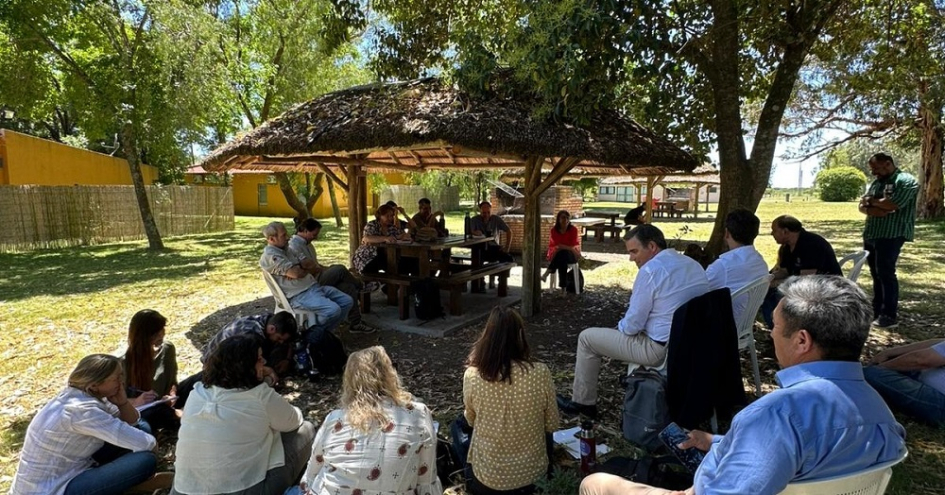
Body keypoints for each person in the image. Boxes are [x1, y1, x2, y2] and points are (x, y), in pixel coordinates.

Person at [579, 276, 907, 495]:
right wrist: (718, 442)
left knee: (596, 482)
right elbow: (795, 450)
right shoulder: (880, 412)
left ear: (802, 340)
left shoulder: (776, 414)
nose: (772, 334)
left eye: (775, 327)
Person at [557, 225, 708, 418]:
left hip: (659, 350)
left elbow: (631, 326)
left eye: (634, 251)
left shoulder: (650, 271)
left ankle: (583, 404)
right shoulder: (691, 264)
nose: (631, 258)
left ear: (652, 246)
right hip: (692, 344)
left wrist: (617, 329)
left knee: (587, 338)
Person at [172, 335, 316, 495]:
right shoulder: (260, 396)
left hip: (184, 488)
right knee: (307, 429)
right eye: (260, 359)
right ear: (246, 366)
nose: (265, 362)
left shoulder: (196, 392)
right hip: (243, 489)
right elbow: (294, 421)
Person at [11, 354, 163, 495]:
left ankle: (121, 482)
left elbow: (134, 422)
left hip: (74, 466)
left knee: (141, 427)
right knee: (145, 460)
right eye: (116, 378)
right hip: (52, 488)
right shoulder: (82, 411)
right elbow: (145, 443)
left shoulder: (84, 395)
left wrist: (123, 403)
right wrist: (155, 456)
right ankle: (128, 484)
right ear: (95, 385)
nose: (122, 382)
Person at [299, 346, 442, 495]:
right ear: (390, 374)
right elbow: (426, 481)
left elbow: (310, 476)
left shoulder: (334, 419)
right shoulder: (418, 414)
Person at [451, 306, 558, 495]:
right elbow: (551, 424)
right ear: (520, 335)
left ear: (487, 336)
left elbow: (471, 420)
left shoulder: (472, 375)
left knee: (457, 426)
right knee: (544, 432)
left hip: (487, 482)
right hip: (534, 479)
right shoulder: (540, 372)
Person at [175, 312, 299, 409]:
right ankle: (176, 398)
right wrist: (268, 370)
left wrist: (287, 359)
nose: (280, 342)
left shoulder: (270, 321)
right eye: (278, 338)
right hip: (219, 363)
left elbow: (288, 343)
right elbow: (246, 363)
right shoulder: (251, 336)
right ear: (272, 329)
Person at [259, 221, 353, 337]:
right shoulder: (270, 256)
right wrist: (299, 268)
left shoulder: (288, 249)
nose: (288, 237)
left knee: (347, 301)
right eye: (283, 235)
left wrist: (300, 268)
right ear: (272, 239)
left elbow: (310, 264)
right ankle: (312, 335)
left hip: (312, 287)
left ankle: (323, 332)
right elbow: (296, 273)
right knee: (333, 310)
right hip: (299, 295)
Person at [859, 152, 919, 330]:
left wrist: (873, 202)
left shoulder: (905, 180)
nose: (874, 173)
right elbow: (862, 205)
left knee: (886, 273)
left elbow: (893, 205)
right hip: (872, 233)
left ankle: (889, 315)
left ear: (887, 164)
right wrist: (872, 207)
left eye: (876, 168)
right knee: (875, 274)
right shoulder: (877, 183)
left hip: (892, 234)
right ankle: (876, 309)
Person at [288, 218, 374, 334]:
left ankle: (355, 323)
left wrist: (324, 268)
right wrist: (321, 269)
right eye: (314, 234)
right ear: (305, 231)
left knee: (348, 287)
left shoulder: (308, 245)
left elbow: (314, 264)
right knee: (340, 269)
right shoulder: (294, 245)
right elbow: (307, 266)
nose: (316, 237)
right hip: (310, 282)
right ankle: (361, 285)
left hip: (317, 275)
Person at [760, 215, 841, 328]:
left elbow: (807, 278)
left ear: (785, 231)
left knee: (776, 294)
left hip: (825, 286)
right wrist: (767, 277)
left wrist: (774, 284)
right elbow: (785, 270)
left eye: (774, 230)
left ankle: (785, 331)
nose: (772, 234)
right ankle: (778, 330)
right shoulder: (788, 247)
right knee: (765, 291)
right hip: (806, 282)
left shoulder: (810, 244)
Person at [704, 209, 769, 323]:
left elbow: (697, 290)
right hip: (745, 323)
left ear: (727, 233)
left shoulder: (723, 266)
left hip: (721, 326)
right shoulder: (760, 262)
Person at [121, 309, 180, 431]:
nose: (161, 335)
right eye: (155, 334)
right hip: (142, 409)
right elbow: (112, 402)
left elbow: (172, 381)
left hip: (164, 402)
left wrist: (171, 395)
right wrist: (137, 401)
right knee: (156, 414)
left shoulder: (167, 349)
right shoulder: (122, 361)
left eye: (162, 330)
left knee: (198, 381)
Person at [864, 339, 945, 426]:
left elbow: (921, 360)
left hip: (940, 404)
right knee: (895, 359)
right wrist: (888, 353)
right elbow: (938, 343)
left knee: (872, 374)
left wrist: (880, 368)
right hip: (922, 379)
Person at [352, 204, 416, 275]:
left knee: (408, 264)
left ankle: (399, 285)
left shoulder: (392, 227)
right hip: (367, 256)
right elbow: (366, 238)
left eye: (391, 216)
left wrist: (404, 237)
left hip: (386, 256)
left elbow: (398, 235)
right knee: (370, 270)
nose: (390, 218)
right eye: (387, 216)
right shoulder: (372, 225)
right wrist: (385, 238)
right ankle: (377, 285)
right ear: (380, 216)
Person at [541, 210, 582, 288]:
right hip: (558, 253)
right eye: (563, 218)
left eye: (567, 218)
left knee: (563, 254)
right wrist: (567, 247)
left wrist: (567, 248)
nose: (565, 220)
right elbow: (557, 245)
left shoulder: (573, 230)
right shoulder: (554, 231)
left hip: (572, 255)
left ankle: (546, 273)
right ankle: (563, 289)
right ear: (558, 219)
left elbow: (572, 245)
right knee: (562, 257)